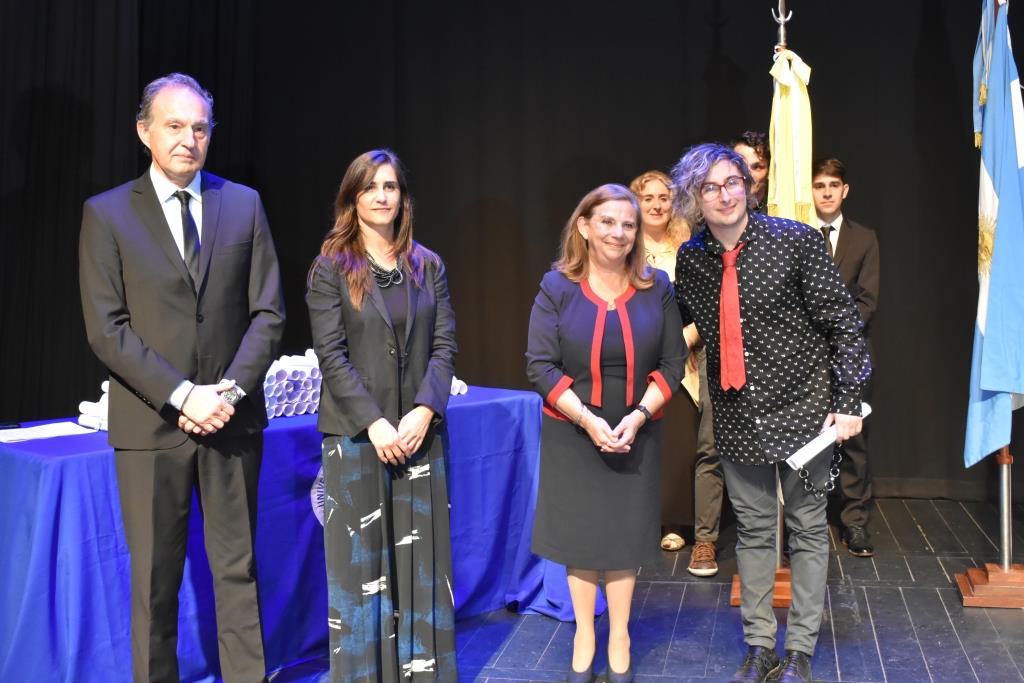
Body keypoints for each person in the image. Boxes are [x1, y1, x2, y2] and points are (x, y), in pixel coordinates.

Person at [79, 73, 285, 682]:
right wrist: (181, 394)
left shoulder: (243, 203)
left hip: (232, 419)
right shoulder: (107, 214)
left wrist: (228, 391)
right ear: (145, 133)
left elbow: (269, 313)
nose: (188, 139)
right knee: (154, 583)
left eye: (199, 127)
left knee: (238, 572)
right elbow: (106, 329)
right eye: (174, 125)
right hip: (151, 426)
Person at [671, 143, 870, 683]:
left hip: (806, 413)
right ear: (695, 197)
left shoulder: (796, 242)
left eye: (732, 181)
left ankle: (800, 651)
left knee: (808, 530)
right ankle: (760, 646)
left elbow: (843, 326)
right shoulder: (691, 260)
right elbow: (688, 331)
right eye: (710, 187)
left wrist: (848, 403)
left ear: (749, 185)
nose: (724, 193)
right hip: (737, 416)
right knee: (755, 534)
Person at [306, 149, 458, 682]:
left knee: (423, 570)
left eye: (390, 187)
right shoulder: (330, 267)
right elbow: (331, 355)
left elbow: (444, 346)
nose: (381, 196)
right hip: (357, 438)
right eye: (370, 187)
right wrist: (375, 423)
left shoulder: (428, 265)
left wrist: (423, 410)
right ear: (352, 198)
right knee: (359, 571)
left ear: (402, 197)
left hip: (421, 436)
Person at [526, 184, 685, 683]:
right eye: (609, 222)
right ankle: (583, 632)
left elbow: (673, 364)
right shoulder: (557, 287)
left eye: (629, 224)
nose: (619, 232)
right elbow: (540, 365)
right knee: (582, 536)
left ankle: (619, 633)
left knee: (621, 536)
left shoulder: (657, 285)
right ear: (585, 226)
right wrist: (589, 421)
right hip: (573, 429)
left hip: (636, 429)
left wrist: (636, 416)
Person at [811, 158, 880, 558]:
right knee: (811, 441)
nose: (826, 192)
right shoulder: (798, 235)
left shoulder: (864, 238)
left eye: (833, 185)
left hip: (851, 353)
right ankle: (811, 521)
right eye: (819, 185)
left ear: (845, 190)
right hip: (807, 358)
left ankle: (854, 522)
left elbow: (867, 300)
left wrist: (834, 331)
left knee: (853, 440)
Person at [629, 171, 695, 555]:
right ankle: (639, 520)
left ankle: (673, 521)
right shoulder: (626, 244)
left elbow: (706, 300)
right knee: (640, 436)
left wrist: (684, 341)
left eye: (663, 198)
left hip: (684, 353)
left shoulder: (687, 244)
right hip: (637, 352)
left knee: (677, 439)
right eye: (648, 198)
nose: (656, 205)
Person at [731, 131, 770, 213]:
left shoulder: (776, 213)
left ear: (769, 172)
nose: (747, 173)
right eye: (740, 165)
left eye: (757, 167)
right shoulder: (717, 211)